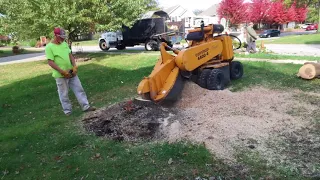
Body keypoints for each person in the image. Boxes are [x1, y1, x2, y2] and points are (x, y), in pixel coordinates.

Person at [45, 27, 96, 116]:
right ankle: (67, 111)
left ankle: (86, 106)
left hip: (71, 72)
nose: (63, 38)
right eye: (61, 37)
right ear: (56, 36)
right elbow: (50, 62)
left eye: (64, 37)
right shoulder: (49, 47)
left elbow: (70, 55)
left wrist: (75, 66)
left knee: (79, 89)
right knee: (63, 93)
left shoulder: (64, 44)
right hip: (60, 75)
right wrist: (62, 71)